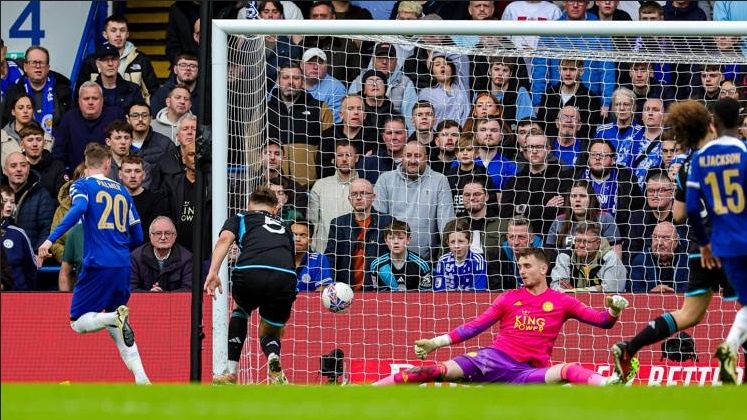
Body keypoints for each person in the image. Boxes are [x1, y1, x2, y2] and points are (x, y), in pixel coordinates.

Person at [610, 99, 741, 385]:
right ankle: (729, 356)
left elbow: (679, 214)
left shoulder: (686, 167)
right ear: (710, 126)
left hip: (700, 250)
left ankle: (629, 347)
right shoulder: (733, 154)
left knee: (689, 314)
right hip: (732, 245)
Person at [373, 247, 632, 386]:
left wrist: (614, 310)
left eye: (527, 266)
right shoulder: (509, 298)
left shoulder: (563, 301)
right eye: (520, 266)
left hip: (527, 373)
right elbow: (475, 326)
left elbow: (603, 322)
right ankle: (369, 390)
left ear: (544, 268)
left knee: (568, 369)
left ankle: (609, 383)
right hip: (491, 360)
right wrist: (435, 342)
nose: (522, 271)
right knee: (433, 370)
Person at [37, 142, 149, 384]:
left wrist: (50, 239)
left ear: (87, 164)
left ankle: (111, 317)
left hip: (98, 263)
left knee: (77, 323)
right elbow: (139, 236)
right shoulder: (123, 192)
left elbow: (78, 208)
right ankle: (143, 380)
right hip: (122, 265)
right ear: (108, 164)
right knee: (119, 328)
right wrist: (119, 249)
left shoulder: (82, 185)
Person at [206, 185, 296, 385]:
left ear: (249, 205)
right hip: (285, 276)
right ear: (275, 209)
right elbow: (289, 258)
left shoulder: (241, 217)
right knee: (270, 330)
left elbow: (224, 240)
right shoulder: (285, 227)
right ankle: (273, 358)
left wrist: (213, 271)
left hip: (251, 270)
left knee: (241, 309)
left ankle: (231, 372)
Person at [684, 97, 747, 384]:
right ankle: (730, 346)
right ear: (740, 122)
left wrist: (704, 243)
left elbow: (691, 208)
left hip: (722, 244)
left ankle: (729, 352)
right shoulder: (744, 153)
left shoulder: (701, 158)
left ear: (713, 123)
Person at [326, 178, 392, 291]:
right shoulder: (338, 224)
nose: (358, 197)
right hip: (345, 290)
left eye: (364, 193)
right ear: (349, 199)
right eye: (354, 194)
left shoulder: (387, 222)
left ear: (373, 197)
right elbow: (330, 258)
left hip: (378, 291)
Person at [550, 221, 627, 293]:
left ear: (598, 243)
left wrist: (573, 291)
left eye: (586, 242)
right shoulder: (565, 256)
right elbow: (556, 288)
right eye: (578, 240)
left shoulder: (610, 258)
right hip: (570, 302)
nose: (581, 245)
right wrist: (597, 288)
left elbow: (611, 291)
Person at [130, 216, 192, 292]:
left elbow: (188, 290)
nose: (163, 237)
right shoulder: (136, 257)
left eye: (167, 233)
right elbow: (130, 289)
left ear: (175, 236)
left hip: (174, 300)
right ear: (150, 236)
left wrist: (163, 295)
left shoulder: (187, 259)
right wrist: (150, 294)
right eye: (158, 233)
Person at [368, 219, 432, 291]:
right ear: (386, 241)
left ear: (408, 240)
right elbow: (376, 293)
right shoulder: (376, 265)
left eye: (400, 238)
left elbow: (426, 295)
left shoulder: (422, 265)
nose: (396, 242)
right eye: (391, 238)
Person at [630, 221, 688, 293]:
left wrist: (671, 293)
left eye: (665, 238)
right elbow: (633, 291)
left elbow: (692, 290)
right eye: (655, 237)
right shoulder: (641, 261)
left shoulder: (687, 261)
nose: (659, 243)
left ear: (676, 241)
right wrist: (651, 292)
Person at [433, 218, 488, 291]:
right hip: (447, 298)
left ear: (470, 241)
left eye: (461, 241)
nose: (456, 246)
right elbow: (438, 290)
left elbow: (479, 290)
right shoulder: (443, 260)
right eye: (452, 242)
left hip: (471, 297)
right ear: (447, 243)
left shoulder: (478, 260)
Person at [0, 186, 37, 291]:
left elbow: (31, 267)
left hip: (18, 293)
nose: (8, 205)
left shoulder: (18, 234)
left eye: (12, 202)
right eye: (5, 201)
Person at [292, 219, 333, 292]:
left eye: (303, 236)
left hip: (309, 300)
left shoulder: (319, 259)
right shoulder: (279, 259)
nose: (297, 239)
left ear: (310, 241)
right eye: (294, 235)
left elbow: (321, 291)